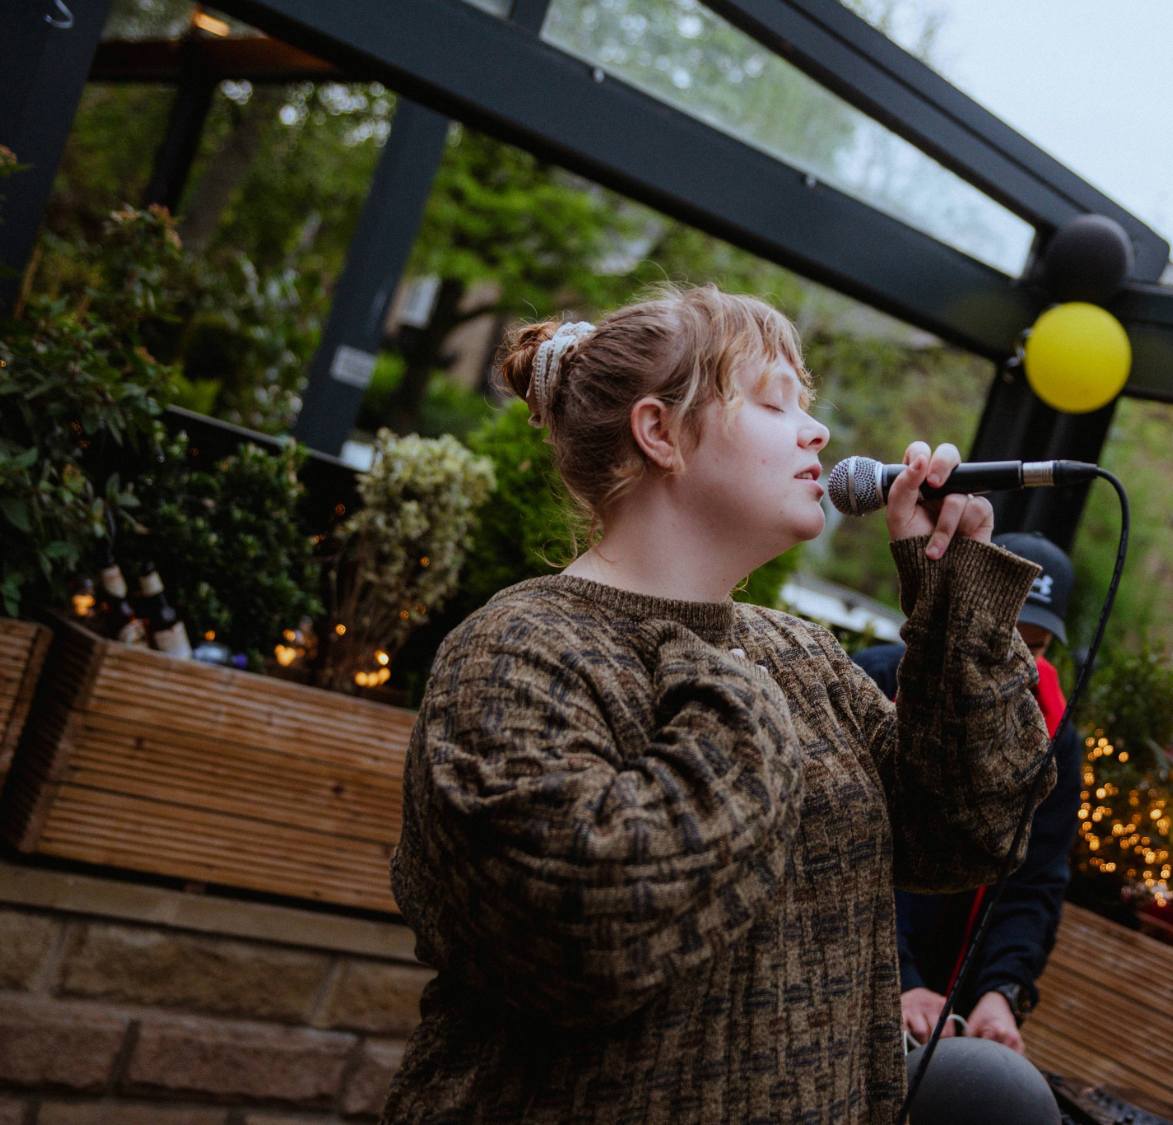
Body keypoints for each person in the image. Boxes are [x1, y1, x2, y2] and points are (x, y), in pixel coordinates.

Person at [380, 285, 1053, 1124]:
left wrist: (957, 607)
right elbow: (587, 938)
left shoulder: (801, 652)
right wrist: (733, 691)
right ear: (659, 432)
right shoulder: (516, 647)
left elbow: (969, 832)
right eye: (775, 402)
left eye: (808, 406)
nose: (818, 433)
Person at [852, 532, 1083, 1056]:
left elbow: (1035, 882)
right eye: (1006, 637)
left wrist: (1001, 991)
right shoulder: (878, 679)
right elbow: (849, 845)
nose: (1019, 662)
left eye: (1038, 647)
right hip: (844, 978)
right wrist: (901, 978)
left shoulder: (1058, 736)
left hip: (944, 1017)